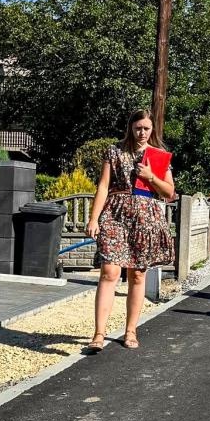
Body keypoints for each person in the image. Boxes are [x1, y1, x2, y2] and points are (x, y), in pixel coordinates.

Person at [84, 108, 175, 352]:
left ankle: (131, 331)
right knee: (109, 272)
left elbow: (170, 192)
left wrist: (151, 177)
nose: (142, 133)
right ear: (130, 128)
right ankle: (99, 333)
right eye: (137, 128)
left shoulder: (159, 155)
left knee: (137, 275)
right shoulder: (114, 151)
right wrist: (94, 219)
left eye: (146, 128)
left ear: (152, 129)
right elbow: (103, 186)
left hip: (145, 218)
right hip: (115, 214)